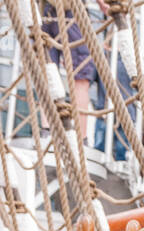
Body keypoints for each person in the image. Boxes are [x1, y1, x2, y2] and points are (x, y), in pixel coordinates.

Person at [40, 0, 109, 145]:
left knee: (47, 72)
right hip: (70, 10)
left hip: (45, 11)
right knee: (81, 78)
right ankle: (81, 137)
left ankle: (46, 130)